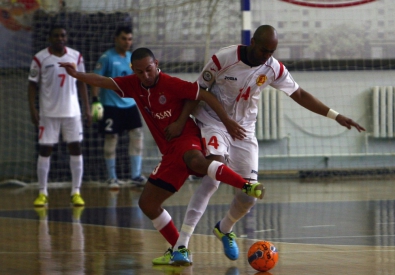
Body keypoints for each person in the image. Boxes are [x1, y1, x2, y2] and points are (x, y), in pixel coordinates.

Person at [154, 25, 366, 265]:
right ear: (252, 41)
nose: (267, 55)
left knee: (249, 197)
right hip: (214, 121)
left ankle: (224, 228)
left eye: (272, 51)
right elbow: (197, 91)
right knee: (212, 176)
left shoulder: (273, 68)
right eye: (264, 49)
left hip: (244, 130)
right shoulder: (224, 58)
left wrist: (336, 116)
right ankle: (182, 245)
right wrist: (182, 121)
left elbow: (299, 94)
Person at [58, 47, 265, 266]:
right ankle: (179, 249)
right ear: (133, 70)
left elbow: (202, 94)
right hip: (169, 151)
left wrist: (221, 121)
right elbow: (103, 81)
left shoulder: (170, 83)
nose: (145, 76)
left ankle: (246, 186)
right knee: (148, 203)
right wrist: (77, 75)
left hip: (187, 137)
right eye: (140, 72)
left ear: (156, 63)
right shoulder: (132, 84)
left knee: (196, 161)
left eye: (149, 69)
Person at [28, 25, 91, 207]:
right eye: (56, 36)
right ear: (50, 38)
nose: (60, 38)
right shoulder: (40, 58)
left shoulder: (76, 56)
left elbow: (82, 83)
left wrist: (87, 108)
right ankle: (42, 192)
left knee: (76, 148)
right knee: (45, 150)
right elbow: (32, 84)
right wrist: (33, 109)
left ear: (66, 37)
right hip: (48, 113)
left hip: (72, 112)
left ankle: (76, 192)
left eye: (63, 35)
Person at [91, 26, 146, 189]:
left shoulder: (132, 58)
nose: (127, 42)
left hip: (130, 105)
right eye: (124, 39)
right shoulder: (107, 57)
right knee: (111, 139)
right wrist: (95, 101)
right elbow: (96, 79)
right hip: (110, 106)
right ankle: (111, 177)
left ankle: (136, 175)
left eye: (130, 39)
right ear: (116, 39)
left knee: (137, 138)